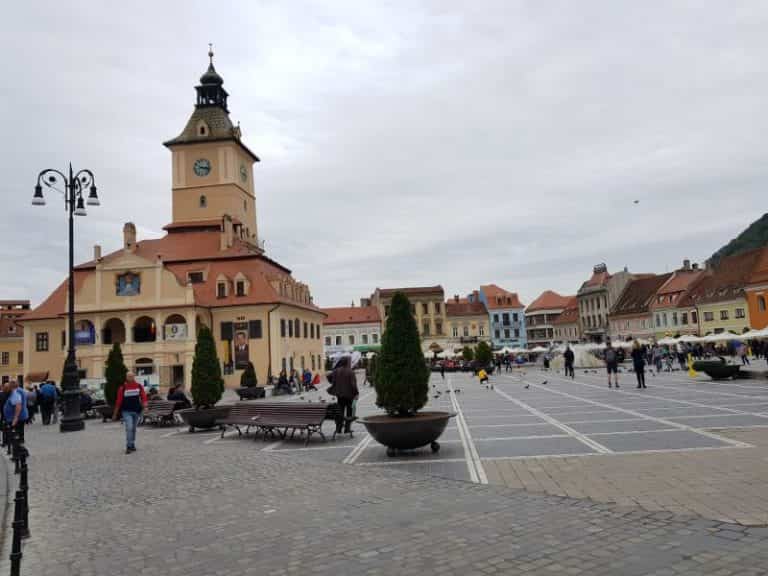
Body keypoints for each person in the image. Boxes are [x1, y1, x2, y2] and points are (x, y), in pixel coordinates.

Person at [112, 372, 147, 454]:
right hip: (126, 411)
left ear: (134, 377)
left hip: (136, 411)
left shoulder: (139, 386)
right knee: (129, 428)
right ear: (126, 377)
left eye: (131, 376)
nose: (130, 377)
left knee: (133, 429)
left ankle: (132, 444)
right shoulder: (122, 388)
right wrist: (115, 413)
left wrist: (145, 406)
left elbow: (143, 397)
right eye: (128, 376)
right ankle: (128, 446)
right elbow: (118, 401)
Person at [330, 356, 358, 435]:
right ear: (347, 362)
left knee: (340, 412)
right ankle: (347, 428)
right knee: (349, 412)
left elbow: (329, 377)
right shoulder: (350, 372)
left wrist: (334, 384)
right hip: (349, 395)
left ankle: (338, 428)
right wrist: (356, 393)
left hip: (340, 395)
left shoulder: (336, 371)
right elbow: (353, 385)